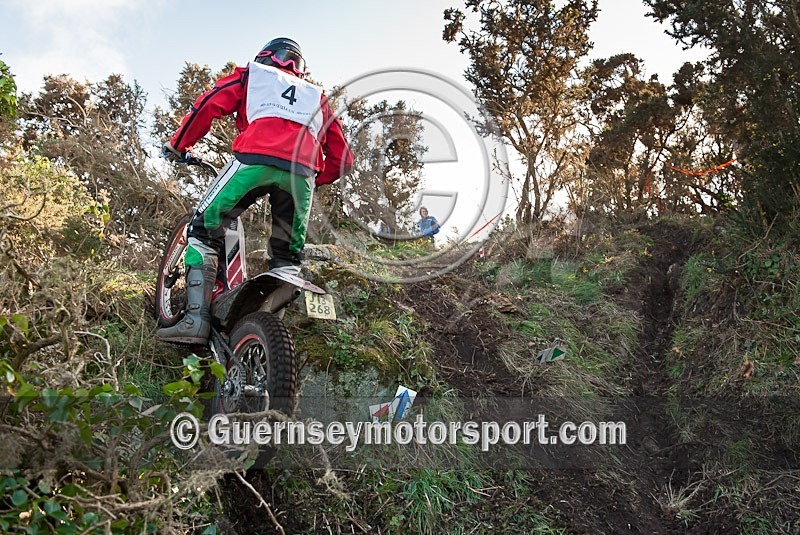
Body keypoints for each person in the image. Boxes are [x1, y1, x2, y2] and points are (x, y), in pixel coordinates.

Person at [157, 37, 354, 344]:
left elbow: (208, 105)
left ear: (265, 57)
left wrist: (178, 144)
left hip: (254, 161)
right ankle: (263, 331)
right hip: (300, 175)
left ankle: (195, 320)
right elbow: (344, 159)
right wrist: (311, 180)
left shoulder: (253, 75)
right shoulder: (317, 97)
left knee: (203, 228)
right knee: (286, 257)